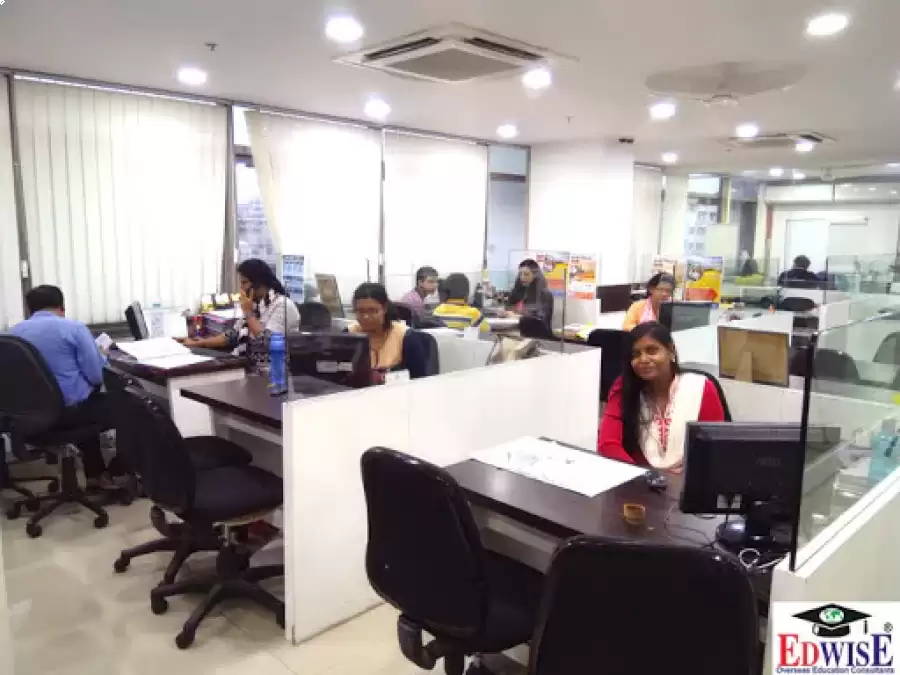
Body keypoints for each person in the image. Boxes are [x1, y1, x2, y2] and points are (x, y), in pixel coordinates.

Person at [9, 285, 124, 490]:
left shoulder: (12, 334)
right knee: (131, 406)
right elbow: (96, 377)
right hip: (68, 416)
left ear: (29, 310)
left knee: (87, 401)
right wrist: (101, 357)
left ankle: (95, 474)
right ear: (62, 307)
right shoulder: (73, 329)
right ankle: (117, 472)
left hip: (27, 420)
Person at [598, 322, 725, 472]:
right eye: (636, 354)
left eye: (652, 351)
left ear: (671, 351)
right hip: (640, 478)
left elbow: (714, 449)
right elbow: (608, 444)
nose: (643, 359)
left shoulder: (701, 388)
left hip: (690, 478)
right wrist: (643, 476)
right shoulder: (624, 388)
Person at [182, 259, 300, 366]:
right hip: (245, 363)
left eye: (245, 283)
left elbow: (268, 343)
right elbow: (232, 335)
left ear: (259, 283)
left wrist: (249, 313)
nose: (241, 288)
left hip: (269, 371)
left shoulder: (283, 305)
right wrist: (198, 343)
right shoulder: (256, 304)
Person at [351, 283, 429, 381]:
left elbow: (420, 379)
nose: (366, 316)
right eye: (360, 311)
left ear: (384, 309)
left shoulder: (406, 337)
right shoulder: (349, 334)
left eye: (373, 311)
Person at [503, 259, 554, 327]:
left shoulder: (544, 294)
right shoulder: (517, 292)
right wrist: (504, 313)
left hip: (536, 332)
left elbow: (540, 320)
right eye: (520, 274)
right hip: (516, 330)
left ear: (535, 276)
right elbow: (509, 308)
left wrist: (517, 316)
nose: (522, 277)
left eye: (526, 274)